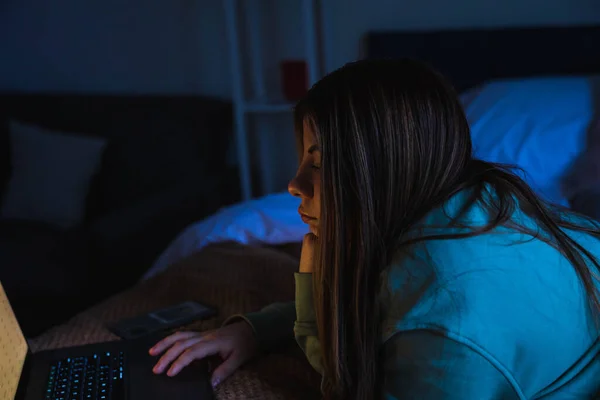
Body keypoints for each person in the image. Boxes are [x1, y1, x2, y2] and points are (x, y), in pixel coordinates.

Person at [148, 59, 600, 399]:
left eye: (318, 164)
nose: (293, 184)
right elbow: (373, 305)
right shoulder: (467, 199)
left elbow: (358, 357)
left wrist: (314, 267)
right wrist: (253, 330)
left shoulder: (445, 330)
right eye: (304, 159)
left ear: (388, 167)